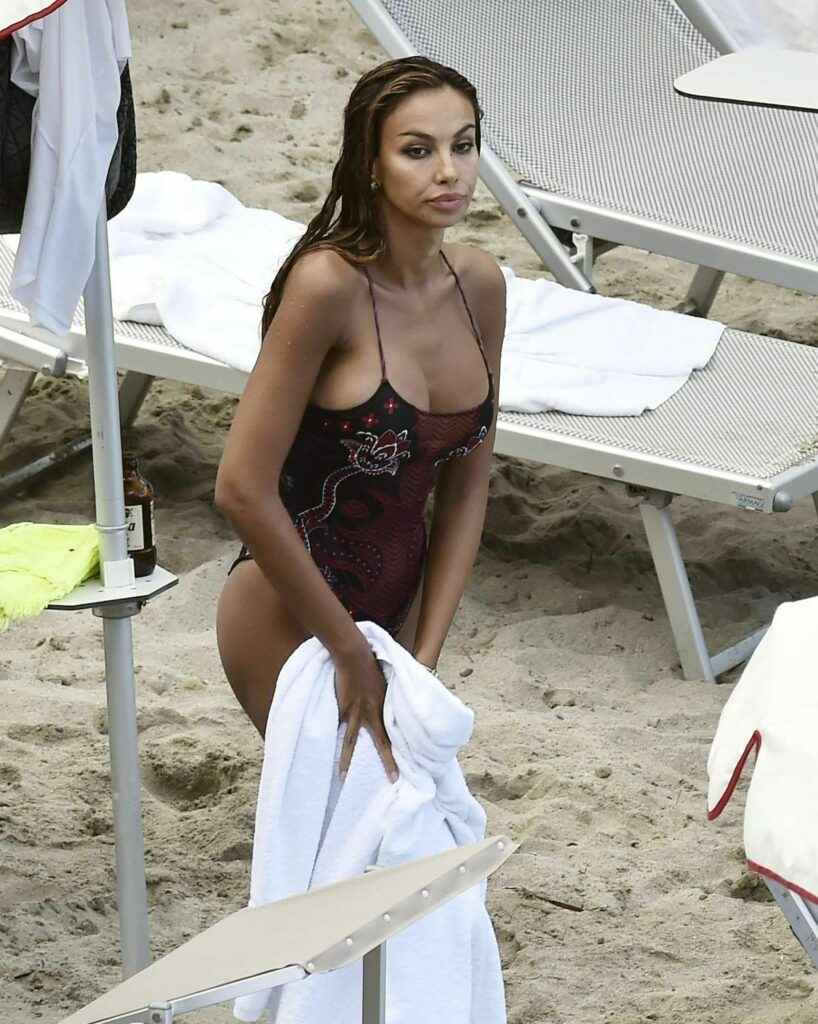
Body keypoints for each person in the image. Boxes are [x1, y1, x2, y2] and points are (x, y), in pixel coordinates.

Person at [215, 55, 506, 785]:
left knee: (406, 821)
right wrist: (347, 649)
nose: (449, 171)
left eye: (463, 145)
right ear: (371, 163)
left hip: (400, 616)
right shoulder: (329, 287)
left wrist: (423, 658)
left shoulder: (479, 286)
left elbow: (466, 490)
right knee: (351, 822)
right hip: (288, 614)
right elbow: (241, 488)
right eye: (417, 150)